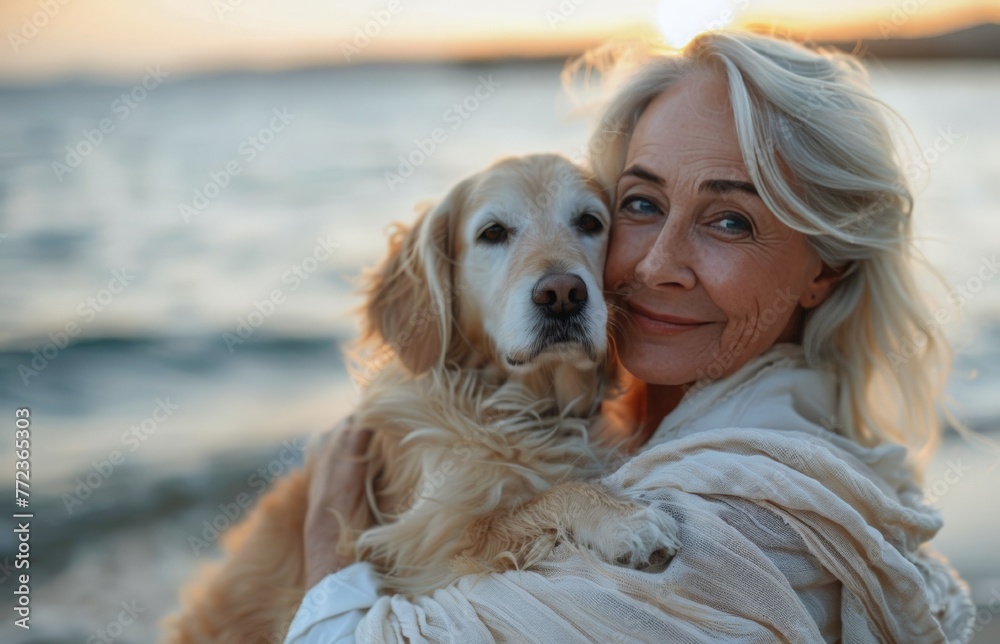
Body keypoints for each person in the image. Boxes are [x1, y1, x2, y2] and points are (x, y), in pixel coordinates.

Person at [285, 30, 976, 642]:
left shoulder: (737, 528)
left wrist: (325, 556)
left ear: (825, 269)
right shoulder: (634, 435)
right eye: (639, 205)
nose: (655, 264)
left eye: (729, 221)